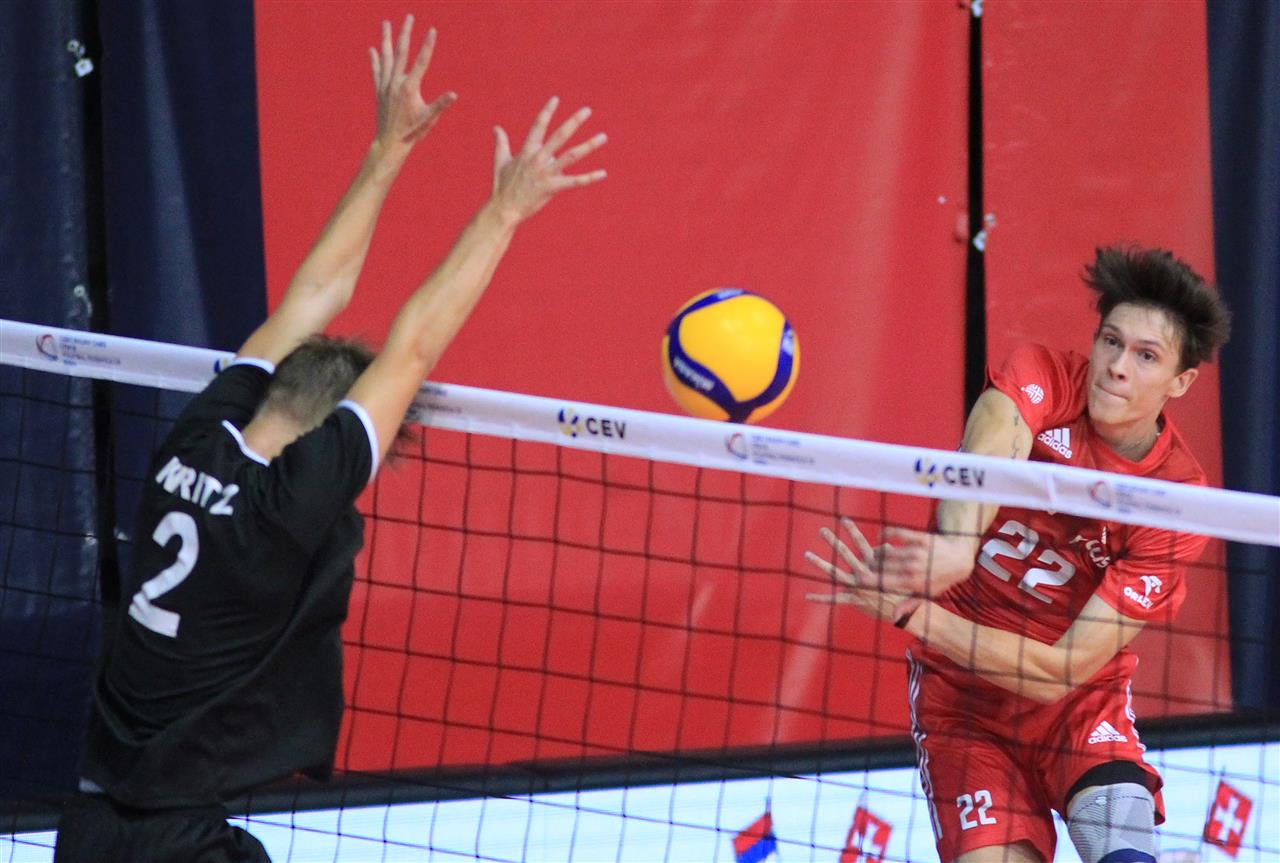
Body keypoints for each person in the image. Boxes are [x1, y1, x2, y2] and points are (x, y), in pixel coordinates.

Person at [55, 17, 606, 862]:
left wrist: (387, 150)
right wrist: (506, 209)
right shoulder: (287, 504)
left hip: (90, 825)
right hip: (177, 839)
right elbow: (412, 349)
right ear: (326, 430)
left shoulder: (193, 439)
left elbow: (311, 298)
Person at [806, 246, 1231, 863]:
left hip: (1078, 710)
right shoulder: (1045, 376)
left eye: (1146, 356)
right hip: (964, 709)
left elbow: (1061, 670)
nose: (1117, 367)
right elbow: (995, 434)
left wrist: (911, 612)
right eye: (1111, 342)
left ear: (1181, 381)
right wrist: (959, 543)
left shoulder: (1177, 499)